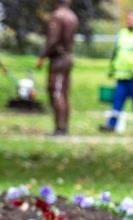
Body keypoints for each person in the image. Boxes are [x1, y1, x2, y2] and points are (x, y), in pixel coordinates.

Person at [102, 12, 133, 132]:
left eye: (132, 19)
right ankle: (111, 125)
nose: (129, 21)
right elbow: (116, 52)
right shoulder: (122, 33)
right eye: (128, 19)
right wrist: (112, 68)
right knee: (117, 100)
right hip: (122, 75)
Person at [36, 0, 79, 136]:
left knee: (56, 92)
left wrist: (43, 56)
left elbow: (53, 40)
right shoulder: (73, 16)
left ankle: (60, 128)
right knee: (64, 93)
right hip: (68, 57)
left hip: (58, 59)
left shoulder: (57, 16)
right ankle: (63, 127)